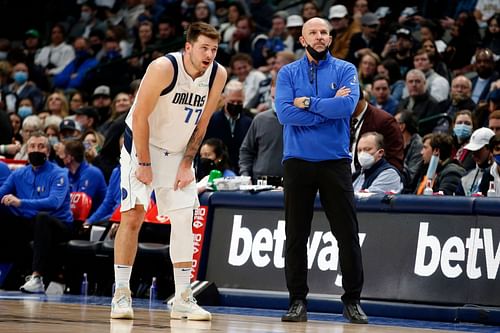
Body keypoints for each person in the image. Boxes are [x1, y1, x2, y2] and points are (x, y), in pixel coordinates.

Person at [111, 22, 227, 321]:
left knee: (184, 219)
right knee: (134, 214)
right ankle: (121, 294)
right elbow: (139, 117)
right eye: (204, 47)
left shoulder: (218, 74)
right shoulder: (163, 68)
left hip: (177, 152)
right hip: (142, 144)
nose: (209, 54)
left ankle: (183, 297)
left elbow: (202, 124)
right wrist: (146, 164)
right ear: (188, 47)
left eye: (214, 49)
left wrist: (188, 163)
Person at [275, 17, 368, 324]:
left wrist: (309, 104)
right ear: (302, 40)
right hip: (298, 161)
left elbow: (347, 107)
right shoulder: (288, 72)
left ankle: (352, 300)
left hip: (335, 162)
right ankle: (297, 301)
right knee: (295, 235)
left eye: (324, 32)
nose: (319, 36)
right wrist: (325, 108)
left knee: (347, 234)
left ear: (330, 38)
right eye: (313, 32)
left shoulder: (346, 70)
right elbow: (284, 113)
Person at [0, 132, 72, 293]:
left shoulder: (59, 173)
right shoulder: (19, 174)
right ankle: (7, 272)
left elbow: (54, 203)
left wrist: (20, 202)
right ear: (27, 149)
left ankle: (37, 277)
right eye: (32, 146)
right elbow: (1, 193)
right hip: (30, 223)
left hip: (59, 225)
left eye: (41, 147)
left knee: (42, 218)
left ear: (48, 151)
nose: (36, 150)